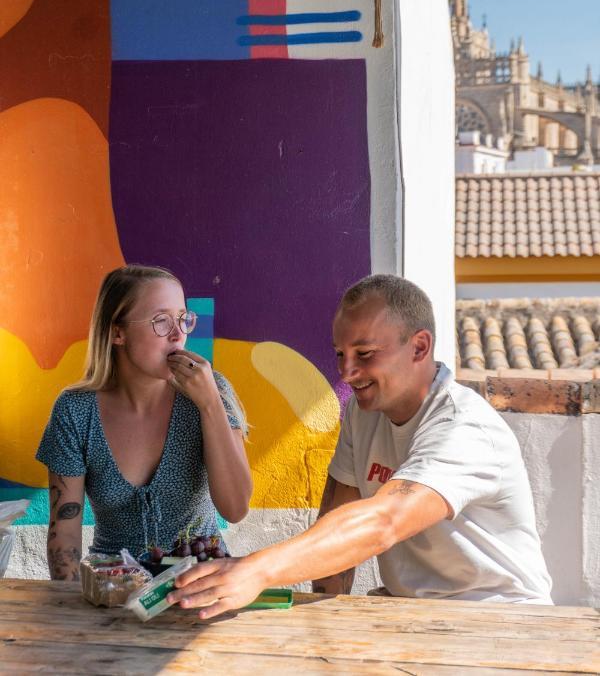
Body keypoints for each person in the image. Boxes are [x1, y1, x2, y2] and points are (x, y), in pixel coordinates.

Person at [167, 274, 553, 617]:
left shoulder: (464, 428)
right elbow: (339, 518)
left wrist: (255, 570)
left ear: (419, 347)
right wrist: (326, 624)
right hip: (414, 616)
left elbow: (384, 521)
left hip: (500, 622)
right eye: (340, 354)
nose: (347, 373)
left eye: (365, 355)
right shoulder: (365, 412)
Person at [36, 264, 252, 580]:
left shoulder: (211, 391)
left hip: (201, 589)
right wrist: (75, 611)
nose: (179, 334)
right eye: (161, 321)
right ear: (117, 332)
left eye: (182, 318)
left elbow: (235, 509)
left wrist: (210, 405)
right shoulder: (75, 411)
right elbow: (64, 537)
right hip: (113, 592)